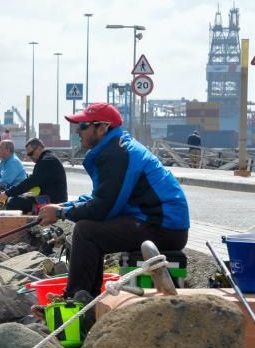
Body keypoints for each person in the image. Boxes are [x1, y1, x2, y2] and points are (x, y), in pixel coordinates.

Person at [38, 102, 189, 300]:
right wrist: (62, 206)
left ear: (102, 128)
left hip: (164, 228)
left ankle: (76, 300)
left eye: (83, 126)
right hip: (158, 223)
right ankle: (85, 297)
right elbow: (102, 197)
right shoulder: (115, 147)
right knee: (88, 230)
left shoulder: (117, 154)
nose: (78, 131)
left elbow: (103, 208)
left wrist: (60, 213)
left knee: (86, 232)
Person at [0, 138, 67, 213]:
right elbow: (32, 181)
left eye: (31, 154)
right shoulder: (47, 158)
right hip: (48, 197)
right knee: (21, 197)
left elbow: (30, 182)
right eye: (28, 155)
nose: (30, 157)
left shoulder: (46, 161)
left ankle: (15, 224)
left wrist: (7, 193)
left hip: (53, 202)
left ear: (40, 148)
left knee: (14, 202)